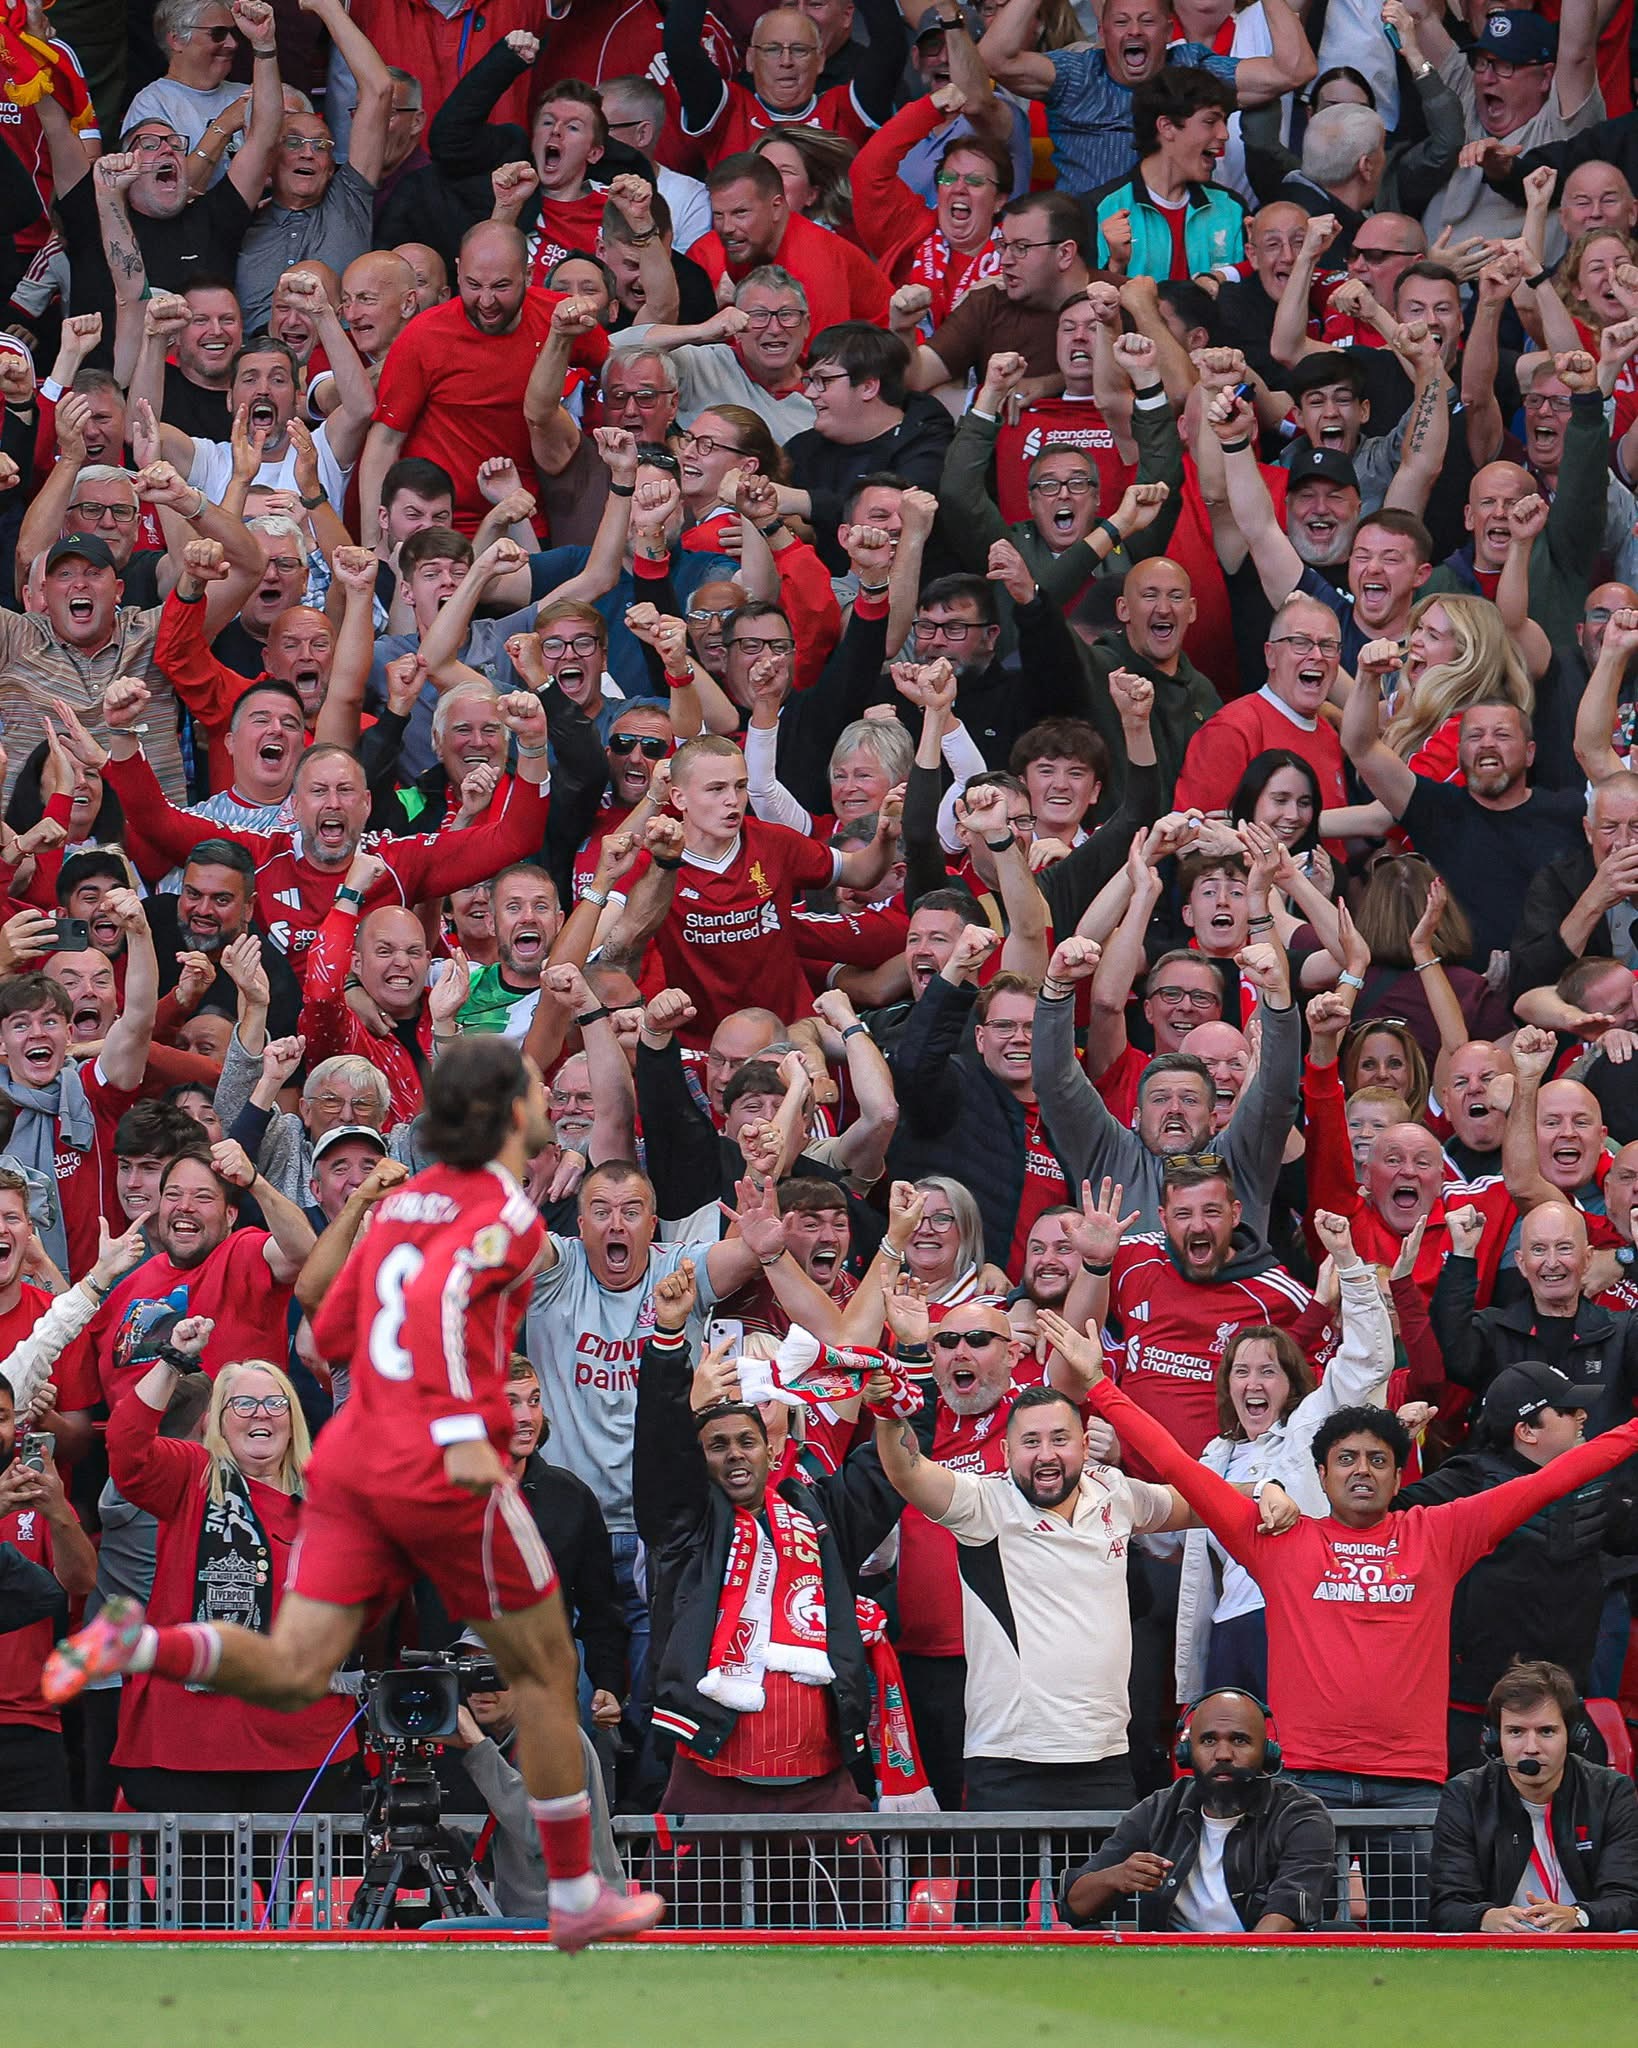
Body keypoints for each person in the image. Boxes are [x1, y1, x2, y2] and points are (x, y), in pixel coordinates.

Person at [43, 1036, 666, 1951]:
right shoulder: (504, 1215)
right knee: (545, 1668)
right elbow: (449, 1303)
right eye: (532, 1089)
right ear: (504, 1114)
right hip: (436, 1462)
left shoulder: (400, 1206)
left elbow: (324, 1326)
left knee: (297, 1667)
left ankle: (146, 1640)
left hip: (348, 1460)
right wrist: (460, 1442)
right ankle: (578, 1891)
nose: (543, 1100)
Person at [1395, 1362, 1638, 1774]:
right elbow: (1372, 1516)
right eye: (1566, 1410)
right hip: (1473, 1715)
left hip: (1564, 1710)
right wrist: (1394, 1439)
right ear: (1526, 1431)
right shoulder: (1465, 1481)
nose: (1582, 1416)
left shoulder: (1598, 1487)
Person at [1058, 1690, 1336, 1931]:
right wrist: (1116, 1877)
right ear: (1187, 1753)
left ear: (1267, 1752)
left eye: (1239, 1740)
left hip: (1261, 1963)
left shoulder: (1300, 1813)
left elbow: (1288, 1908)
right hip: (1174, 1965)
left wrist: (1241, 1969)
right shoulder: (1159, 1809)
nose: (1223, 1754)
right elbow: (1075, 1906)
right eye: (1209, 1741)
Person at [1429, 1659, 1638, 1931]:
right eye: (1516, 1732)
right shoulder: (1466, 1795)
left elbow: (1628, 1901)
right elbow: (1445, 1907)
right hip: (1500, 1954)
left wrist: (1577, 1916)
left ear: (1573, 1737)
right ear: (1494, 1740)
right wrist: (1485, 1918)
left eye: (1546, 1731)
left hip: (1587, 1948)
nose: (1531, 1748)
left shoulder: (1611, 1792)